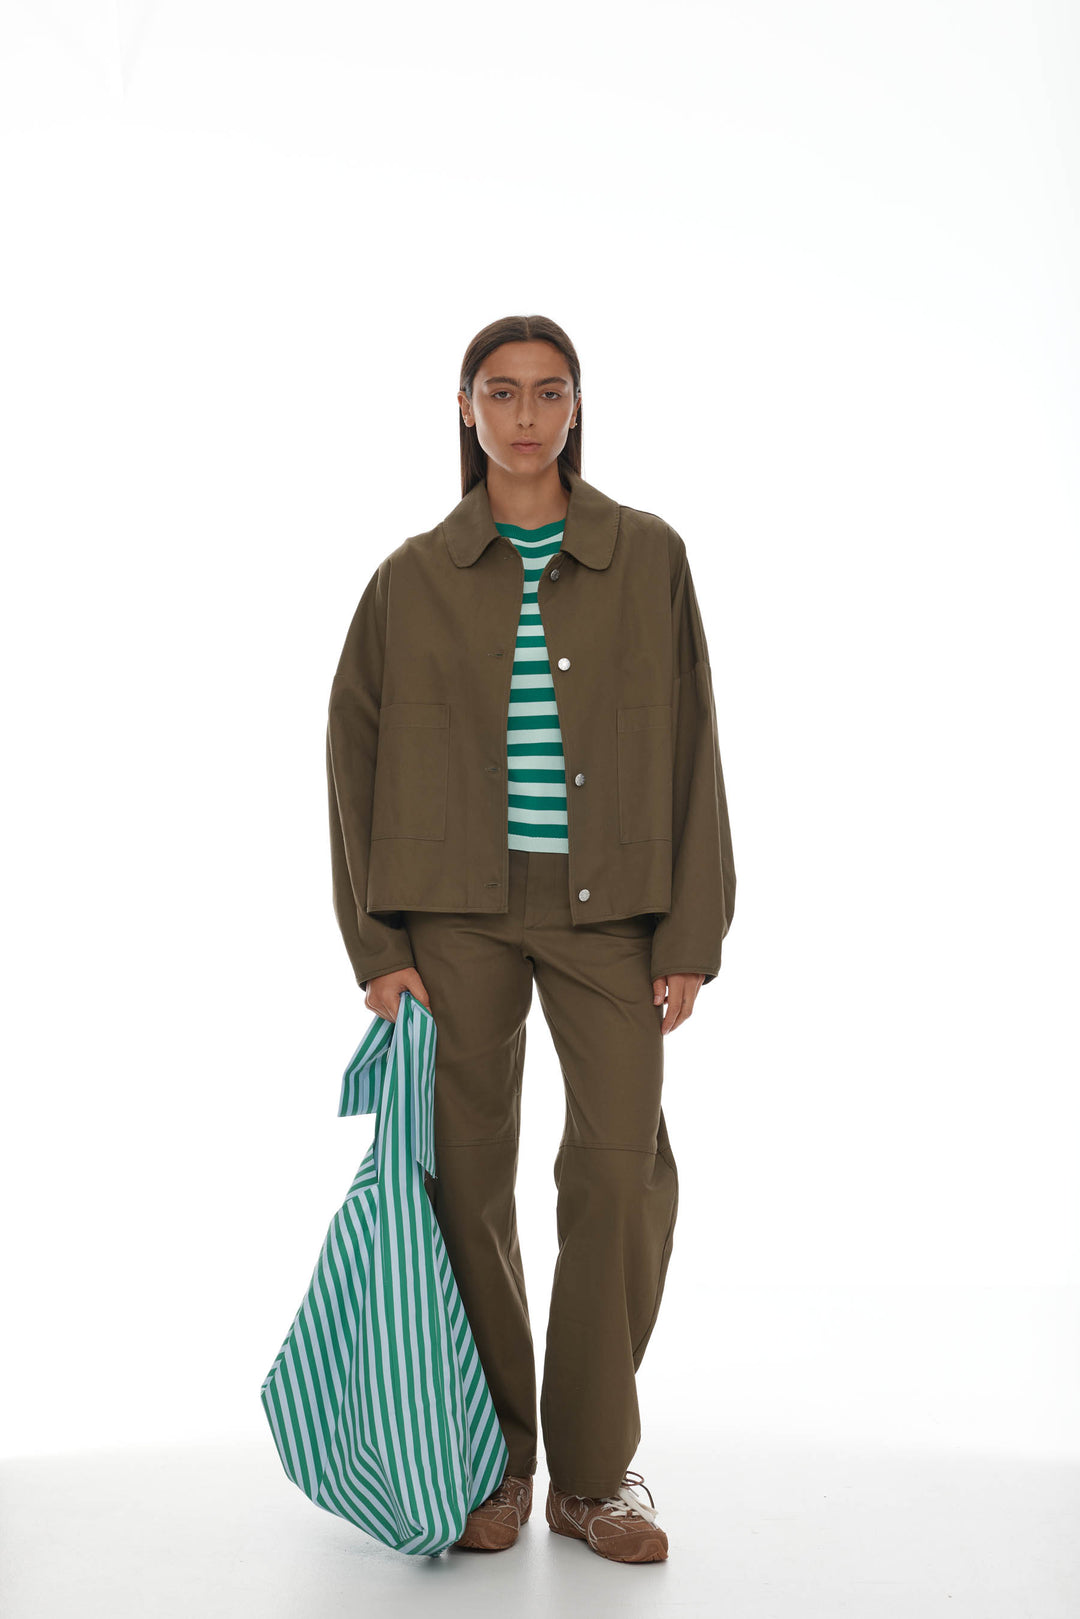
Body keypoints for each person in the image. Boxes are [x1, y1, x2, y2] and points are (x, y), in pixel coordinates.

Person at [326, 313, 736, 1564]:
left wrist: (691, 927)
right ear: (465, 407)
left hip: (612, 909)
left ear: (576, 407)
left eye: (547, 392)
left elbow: (695, 744)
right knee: (463, 1178)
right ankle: (495, 1461)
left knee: (620, 1172)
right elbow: (352, 755)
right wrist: (377, 942)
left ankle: (592, 1476)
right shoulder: (411, 576)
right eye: (500, 393)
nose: (524, 415)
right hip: (452, 911)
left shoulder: (648, 556)